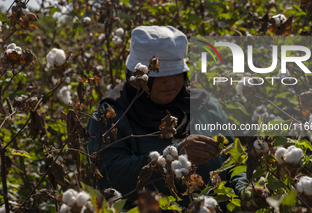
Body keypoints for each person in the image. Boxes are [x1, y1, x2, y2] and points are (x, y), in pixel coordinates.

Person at [87, 26, 267, 211]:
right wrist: (174, 156)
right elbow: (109, 180)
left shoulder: (205, 106)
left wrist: (244, 189)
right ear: (137, 76)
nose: (171, 82)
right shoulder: (111, 115)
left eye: (176, 72)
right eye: (160, 75)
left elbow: (233, 162)